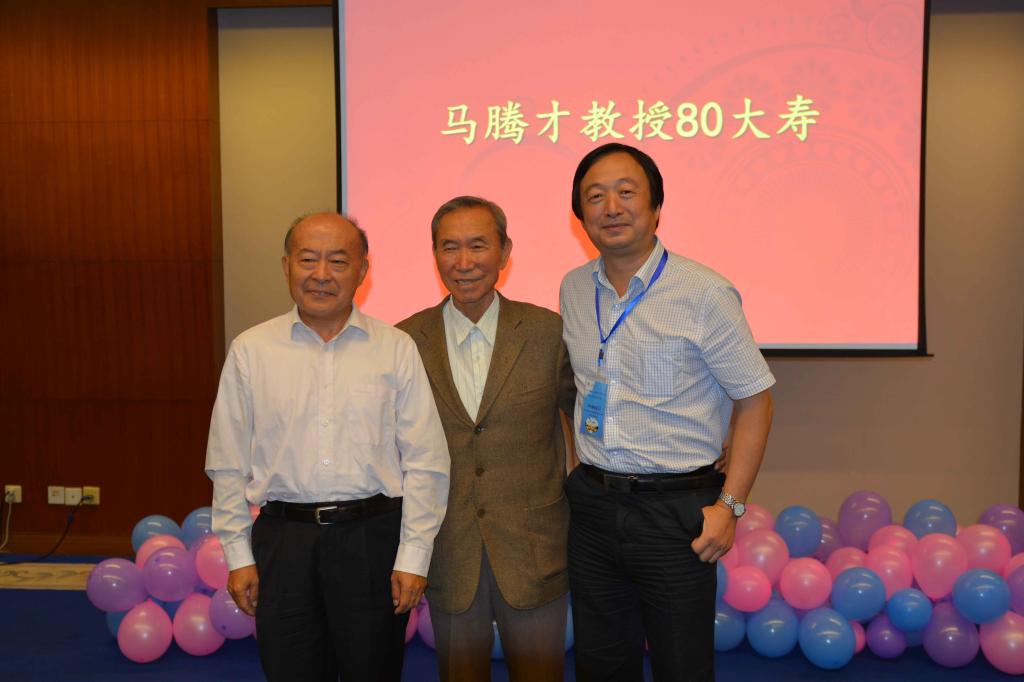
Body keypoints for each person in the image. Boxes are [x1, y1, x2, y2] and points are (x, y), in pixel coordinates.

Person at [559, 144, 775, 682]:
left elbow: (755, 399)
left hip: (676, 513)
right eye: (595, 196)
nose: (611, 207)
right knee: (600, 664)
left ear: (656, 206)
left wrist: (730, 507)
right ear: (580, 215)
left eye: (626, 192)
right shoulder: (573, 288)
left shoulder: (704, 293)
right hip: (593, 508)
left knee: (682, 665)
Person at [205, 212, 450, 681]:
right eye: (307, 260)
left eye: (338, 261)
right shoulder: (251, 351)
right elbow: (227, 463)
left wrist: (414, 556)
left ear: (363, 270)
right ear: (286, 266)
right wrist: (238, 555)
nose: (321, 274)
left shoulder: (395, 348)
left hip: (371, 541)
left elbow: (426, 462)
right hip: (284, 542)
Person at [397, 196, 576, 682]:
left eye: (478, 246)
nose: (464, 262)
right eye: (449, 247)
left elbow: (590, 417)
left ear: (505, 251)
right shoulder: (405, 341)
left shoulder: (547, 331)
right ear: (434, 255)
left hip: (534, 548)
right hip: (450, 550)